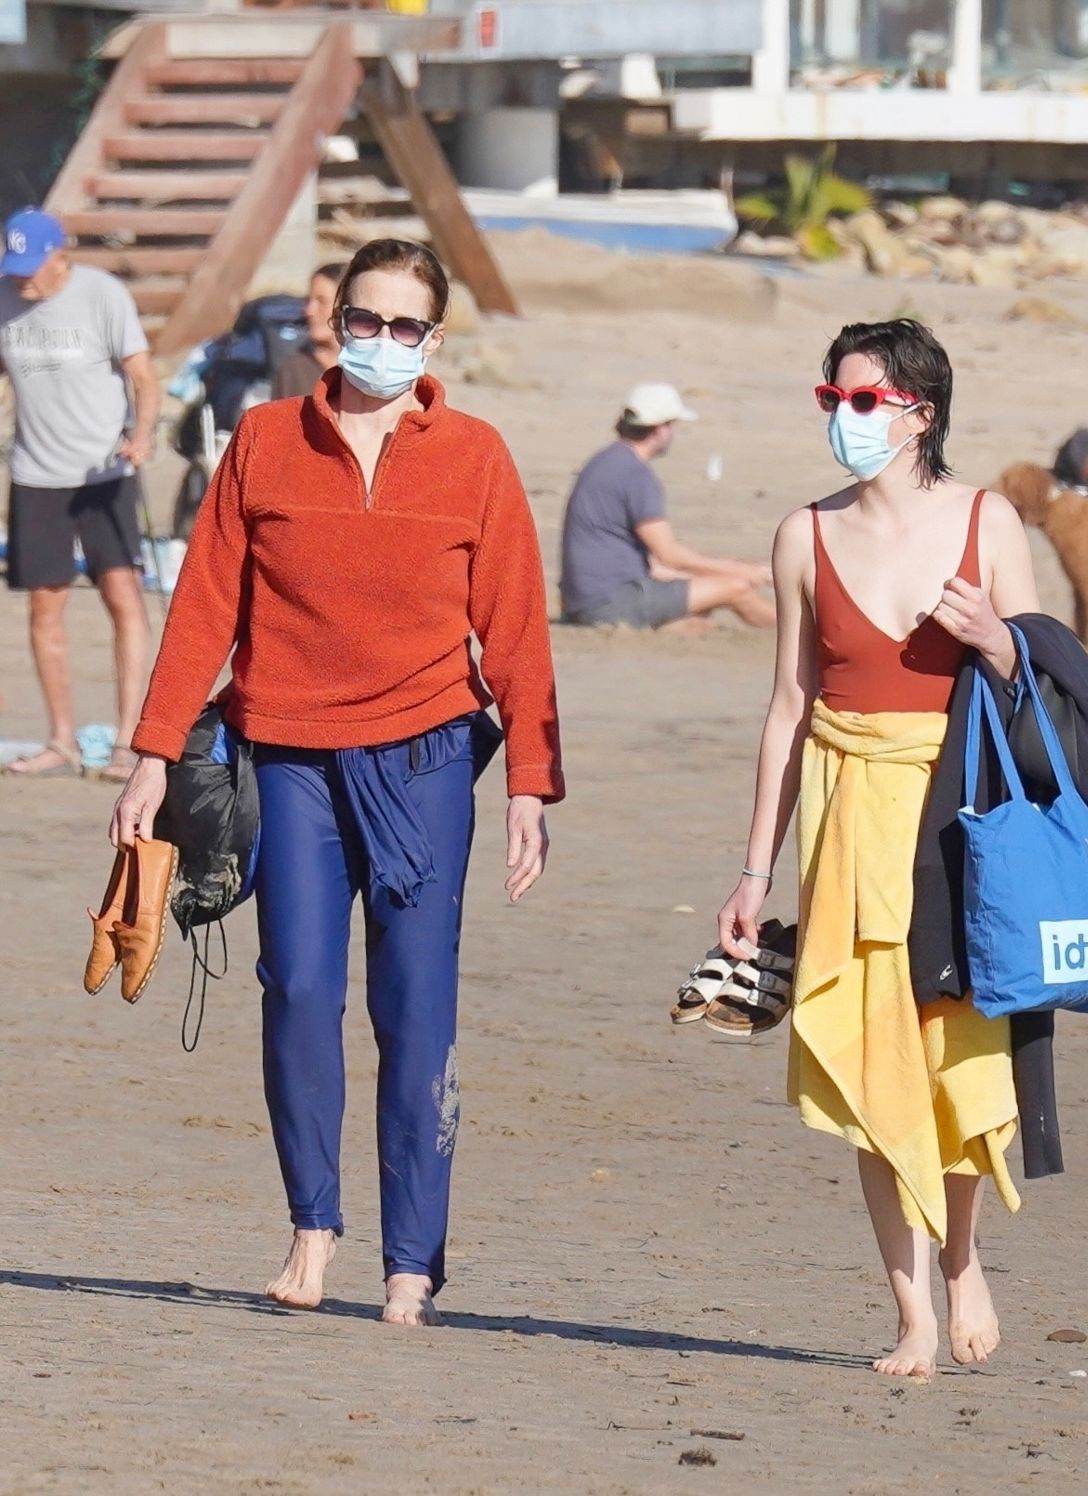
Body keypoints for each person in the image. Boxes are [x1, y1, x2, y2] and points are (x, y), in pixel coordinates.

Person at [111, 238, 563, 1327]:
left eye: (406, 326)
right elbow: (205, 606)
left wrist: (531, 784)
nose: (382, 341)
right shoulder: (263, 442)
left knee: (415, 1012)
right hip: (291, 758)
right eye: (366, 319)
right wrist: (152, 750)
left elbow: (515, 626)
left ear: (434, 339)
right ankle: (312, 1225)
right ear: (336, 321)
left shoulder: (476, 455)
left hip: (425, 760)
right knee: (300, 991)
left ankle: (412, 1258)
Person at [716, 319, 1041, 1378]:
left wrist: (994, 636)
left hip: (958, 816)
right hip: (844, 809)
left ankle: (959, 1265)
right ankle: (907, 1311)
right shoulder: (801, 535)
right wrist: (753, 867)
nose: (842, 418)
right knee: (867, 1056)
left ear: (918, 412)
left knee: (954, 1050)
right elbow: (783, 706)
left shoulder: (988, 521)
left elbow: (1050, 684)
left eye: (861, 400)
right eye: (830, 399)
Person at [0, 206, 158, 781]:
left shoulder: (102, 294)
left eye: (31, 266)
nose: (23, 279)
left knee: (122, 594)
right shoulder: (5, 298)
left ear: (59, 255)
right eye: (13, 266)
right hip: (36, 475)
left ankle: (128, 741)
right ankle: (61, 740)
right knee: (46, 604)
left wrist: (141, 437)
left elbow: (144, 376)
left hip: (103, 474)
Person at [560, 383, 775, 629]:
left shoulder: (606, 461)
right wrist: (740, 572)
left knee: (703, 608)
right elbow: (669, 555)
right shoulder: (635, 475)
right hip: (610, 602)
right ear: (660, 429)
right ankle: (800, 634)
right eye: (672, 425)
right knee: (736, 590)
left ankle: (677, 626)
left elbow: (654, 564)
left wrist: (724, 572)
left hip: (583, 601)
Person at [272, 262, 344, 399]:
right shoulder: (293, 370)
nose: (308, 311)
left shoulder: (366, 370)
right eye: (307, 301)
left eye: (322, 301)